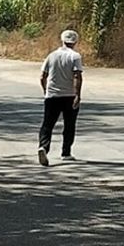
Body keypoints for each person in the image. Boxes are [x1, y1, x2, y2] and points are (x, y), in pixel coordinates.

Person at [37, 29, 84, 166]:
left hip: (52, 95)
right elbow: (77, 76)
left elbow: (42, 76)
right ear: (75, 42)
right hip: (69, 95)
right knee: (69, 125)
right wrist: (77, 95)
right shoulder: (75, 57)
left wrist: (46, 90)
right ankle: (66, 152)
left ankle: (43, 147)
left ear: (62, 40)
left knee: (47, 124)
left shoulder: (51, 56)